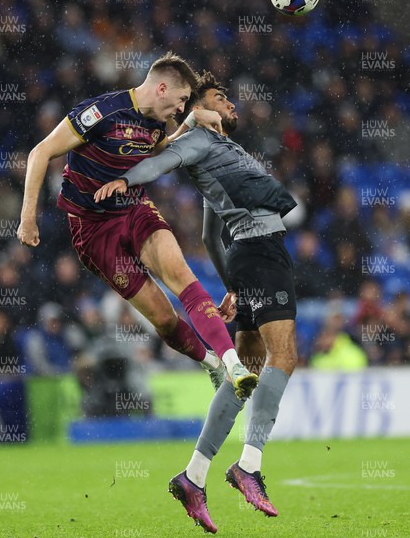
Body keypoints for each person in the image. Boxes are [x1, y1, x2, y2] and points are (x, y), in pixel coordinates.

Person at [96, 71, 298, 533]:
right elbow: (161, 163)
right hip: (263, 253)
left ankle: (194, 477)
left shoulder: (222, 153)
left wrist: (232, 285)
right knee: (283, 356)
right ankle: (248, 465)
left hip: (248, 260)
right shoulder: (200, 145)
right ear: (198, 107)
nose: (229, 104)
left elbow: (210, 233)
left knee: (243, 368)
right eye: (219, 97)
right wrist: (125, 180)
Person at [17, 52, 258, 398]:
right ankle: (213, 364)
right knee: (163, 319)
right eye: (178, 102)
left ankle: (234, 364)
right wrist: (28, 219)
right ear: (161, 88)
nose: (179, 110)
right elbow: (40, 153)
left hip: (134, 209)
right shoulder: (101, 113)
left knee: (181, 275)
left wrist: (191, 122)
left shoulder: (158, 121)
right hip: (94, 230)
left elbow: (161, 150)